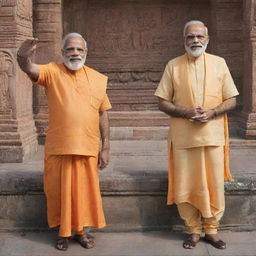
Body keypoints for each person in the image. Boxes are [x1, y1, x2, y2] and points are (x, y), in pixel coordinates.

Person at [17, 33, 112, 251]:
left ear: (86, 52)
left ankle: (81, 232)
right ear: (62, 53)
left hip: (87, 146)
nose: (75, 53)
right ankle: (64, 233)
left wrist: (105, 146)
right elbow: (29, 68)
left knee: (84, 194)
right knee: (59, 192)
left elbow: (103, 114)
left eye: (79, 50)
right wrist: (22, 56)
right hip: (60, 146)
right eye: (70, 49)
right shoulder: (52, 71)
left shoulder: (98, 78)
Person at [155, 20, 239, 249]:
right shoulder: (173, 65)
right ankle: (192, 230)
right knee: (185, 184)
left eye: (200, 37)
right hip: (183, 138)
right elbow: (162, 101)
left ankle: (212, 230)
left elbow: (231, 99)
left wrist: (212, 112)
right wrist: (184, 112)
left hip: (212, 137)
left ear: (207, 39)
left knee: (213, 185)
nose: (195, 41)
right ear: (184, 40)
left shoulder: (219, 64)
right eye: (190, 37)